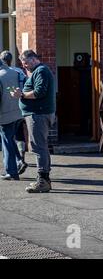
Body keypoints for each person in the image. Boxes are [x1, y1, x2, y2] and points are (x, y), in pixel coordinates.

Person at [10, 50, 56, 193]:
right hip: (38, 114)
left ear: (33, 59)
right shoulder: (40, 71)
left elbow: (39, 92)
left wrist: (21, 94)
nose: (25, 67)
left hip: (38, 115)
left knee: (38, 147)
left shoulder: (41, 71)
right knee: (41, 146)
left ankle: (42, 180)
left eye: (26, 64)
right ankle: (44, 179)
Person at [0, 50, 28, 175]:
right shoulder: (16, 72)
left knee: (7, 142)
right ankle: (19, 161)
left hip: (5, 115)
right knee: (11, 140)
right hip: (19, 111)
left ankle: (11, 171)